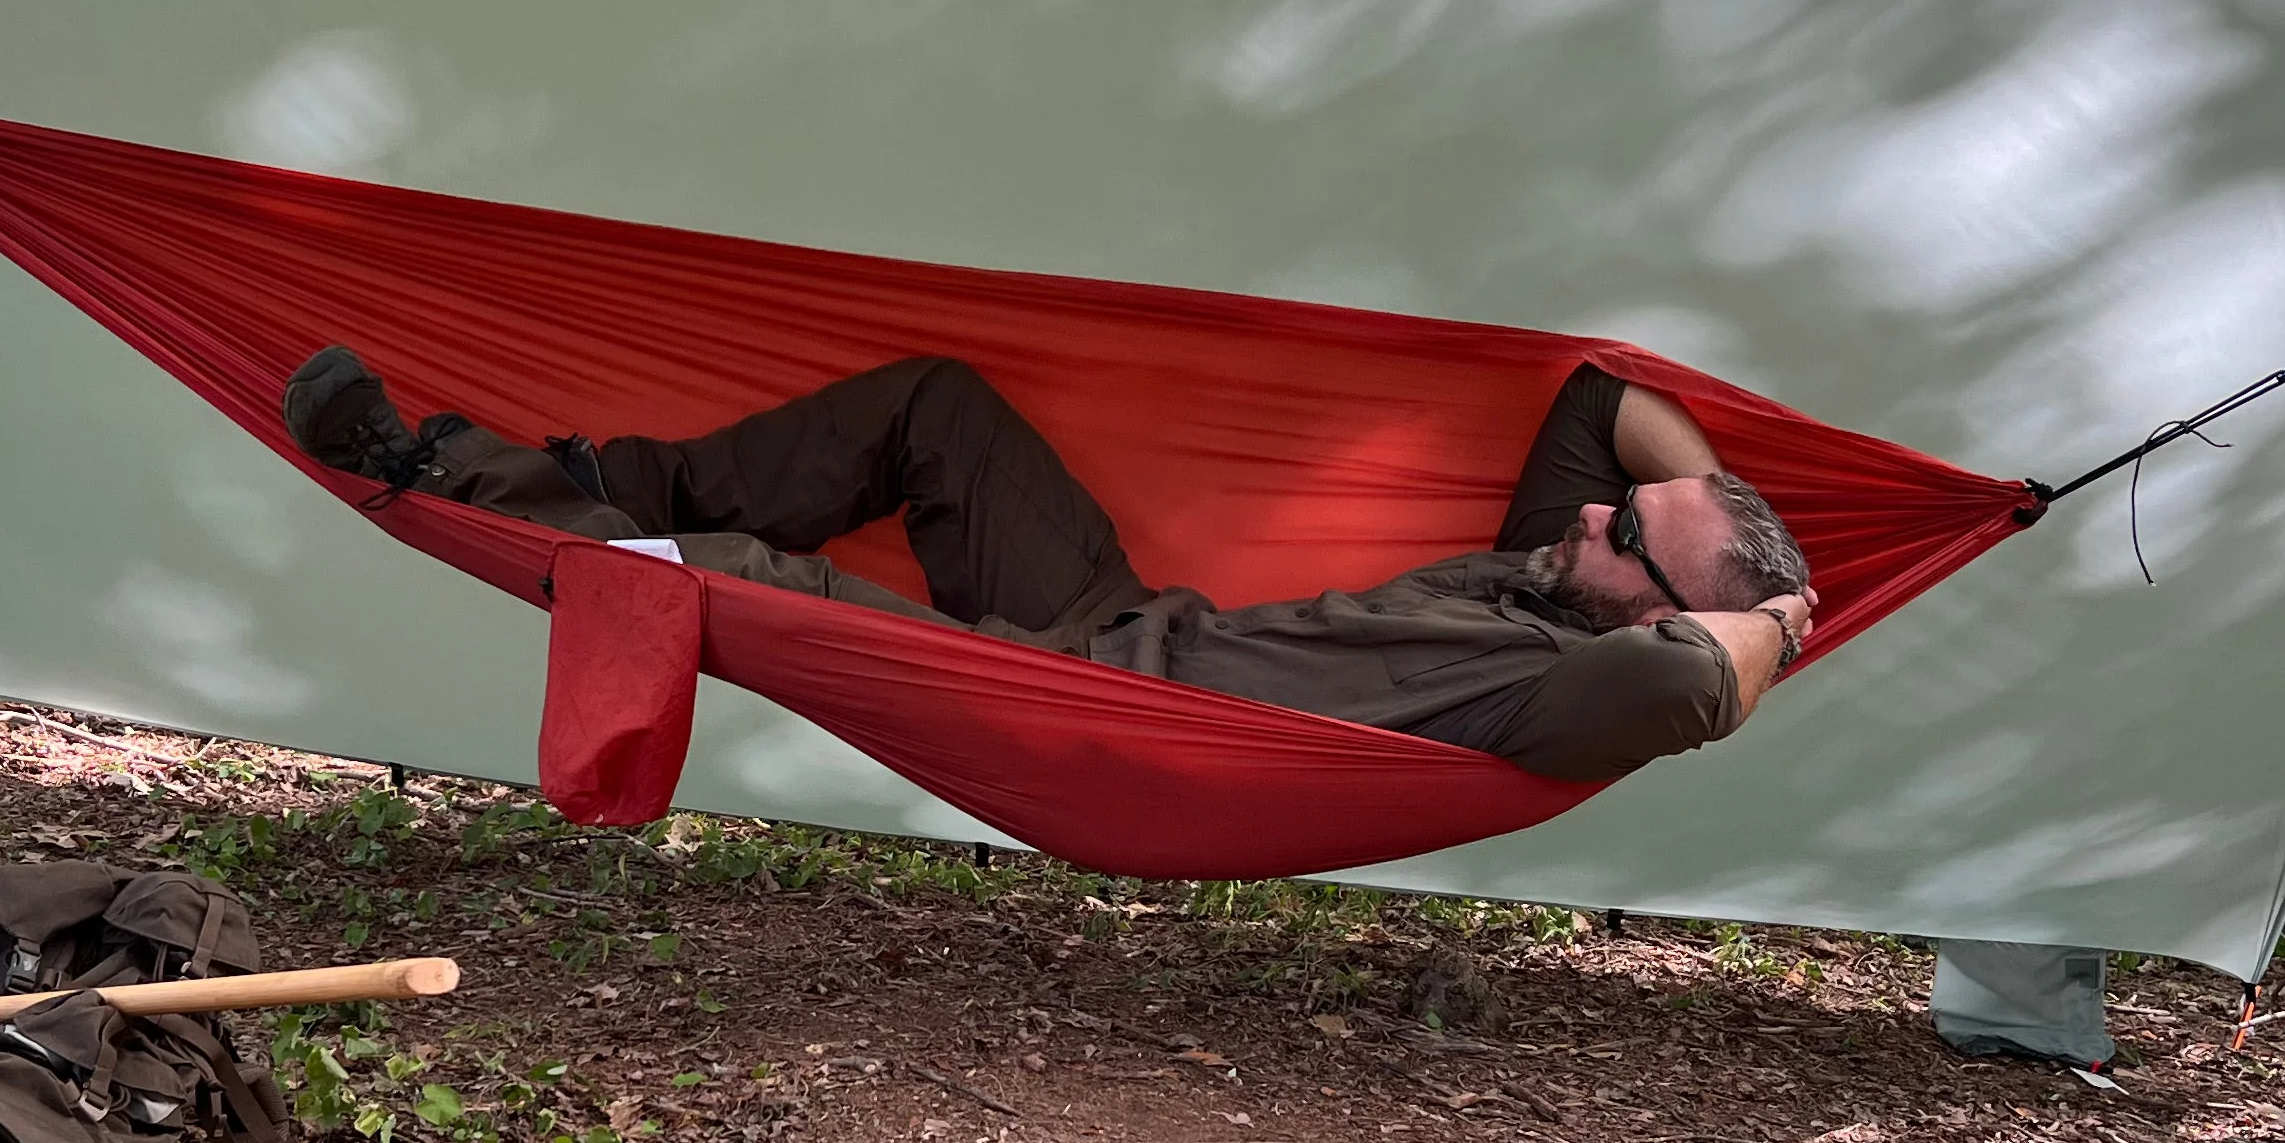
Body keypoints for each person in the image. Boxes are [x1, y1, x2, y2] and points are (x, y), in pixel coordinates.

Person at [281, 346, 1818, 781]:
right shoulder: (1547, 575)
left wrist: (1785, 618)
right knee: (938, 408)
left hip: (1087, 726)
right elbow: (1598, 405)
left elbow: (1699, 674)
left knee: (735, 575)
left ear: (1679, 614)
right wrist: (1705, 518)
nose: (1601, 515)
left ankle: (443, 480)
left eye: (1630, 540)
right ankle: (597, 480)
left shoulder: (1573, 695)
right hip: (1121, 631)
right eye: (1622, 511)